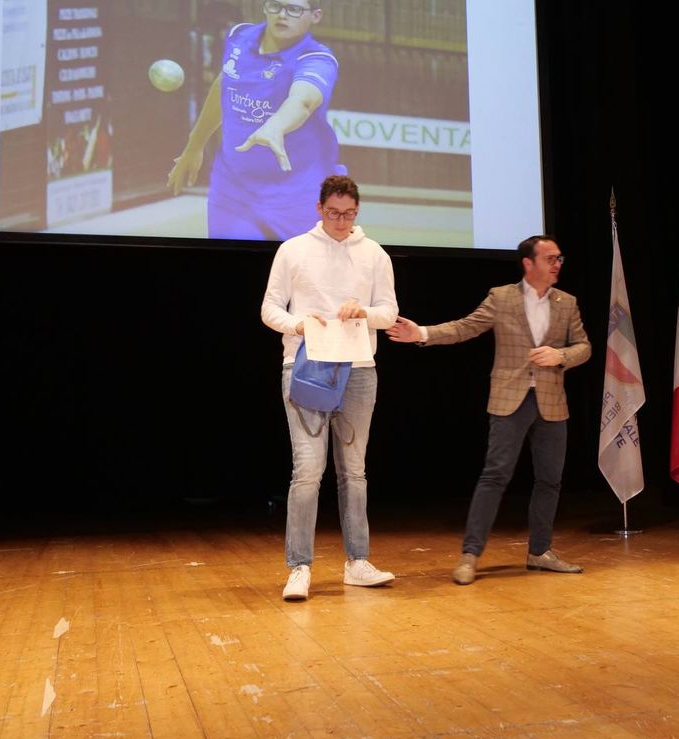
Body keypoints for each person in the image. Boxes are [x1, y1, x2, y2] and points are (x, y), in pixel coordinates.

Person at [386, 236, 592, 585]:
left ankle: (540, 551)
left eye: (560, 258)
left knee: (550, 479)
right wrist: (421, 333)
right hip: (510, 398)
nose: (557, 264)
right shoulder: (502, 297)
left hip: (552, 401)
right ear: (528, 263)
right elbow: (465, 327)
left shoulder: (566, 302)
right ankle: (470, 555)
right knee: (495, 476)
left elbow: (583, 346)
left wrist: (561, 356)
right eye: (550, 258)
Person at [261, 175, 398, 601]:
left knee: (354, 470)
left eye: (350, 214)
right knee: (307, 469)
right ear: (319, 208)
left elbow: (389, 311)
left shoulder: (374, 253)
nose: (342, 221)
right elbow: (269, 308)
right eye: (335, 213)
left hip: (358, 369)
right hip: (306, 366)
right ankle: (299, 566)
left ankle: (358, 562)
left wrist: (366, 311)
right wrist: (298, 323)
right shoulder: (293, 250)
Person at [168, 0, 341, 241]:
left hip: (296, 194)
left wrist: (275, 127)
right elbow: (224, 87)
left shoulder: (316, 58)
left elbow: (303, 101)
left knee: (298, 265)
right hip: (233, 189)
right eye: (275, 6)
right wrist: (194, 146)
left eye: (294, 9)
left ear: (315, 16)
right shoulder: (239, 36)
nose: (282, 14)